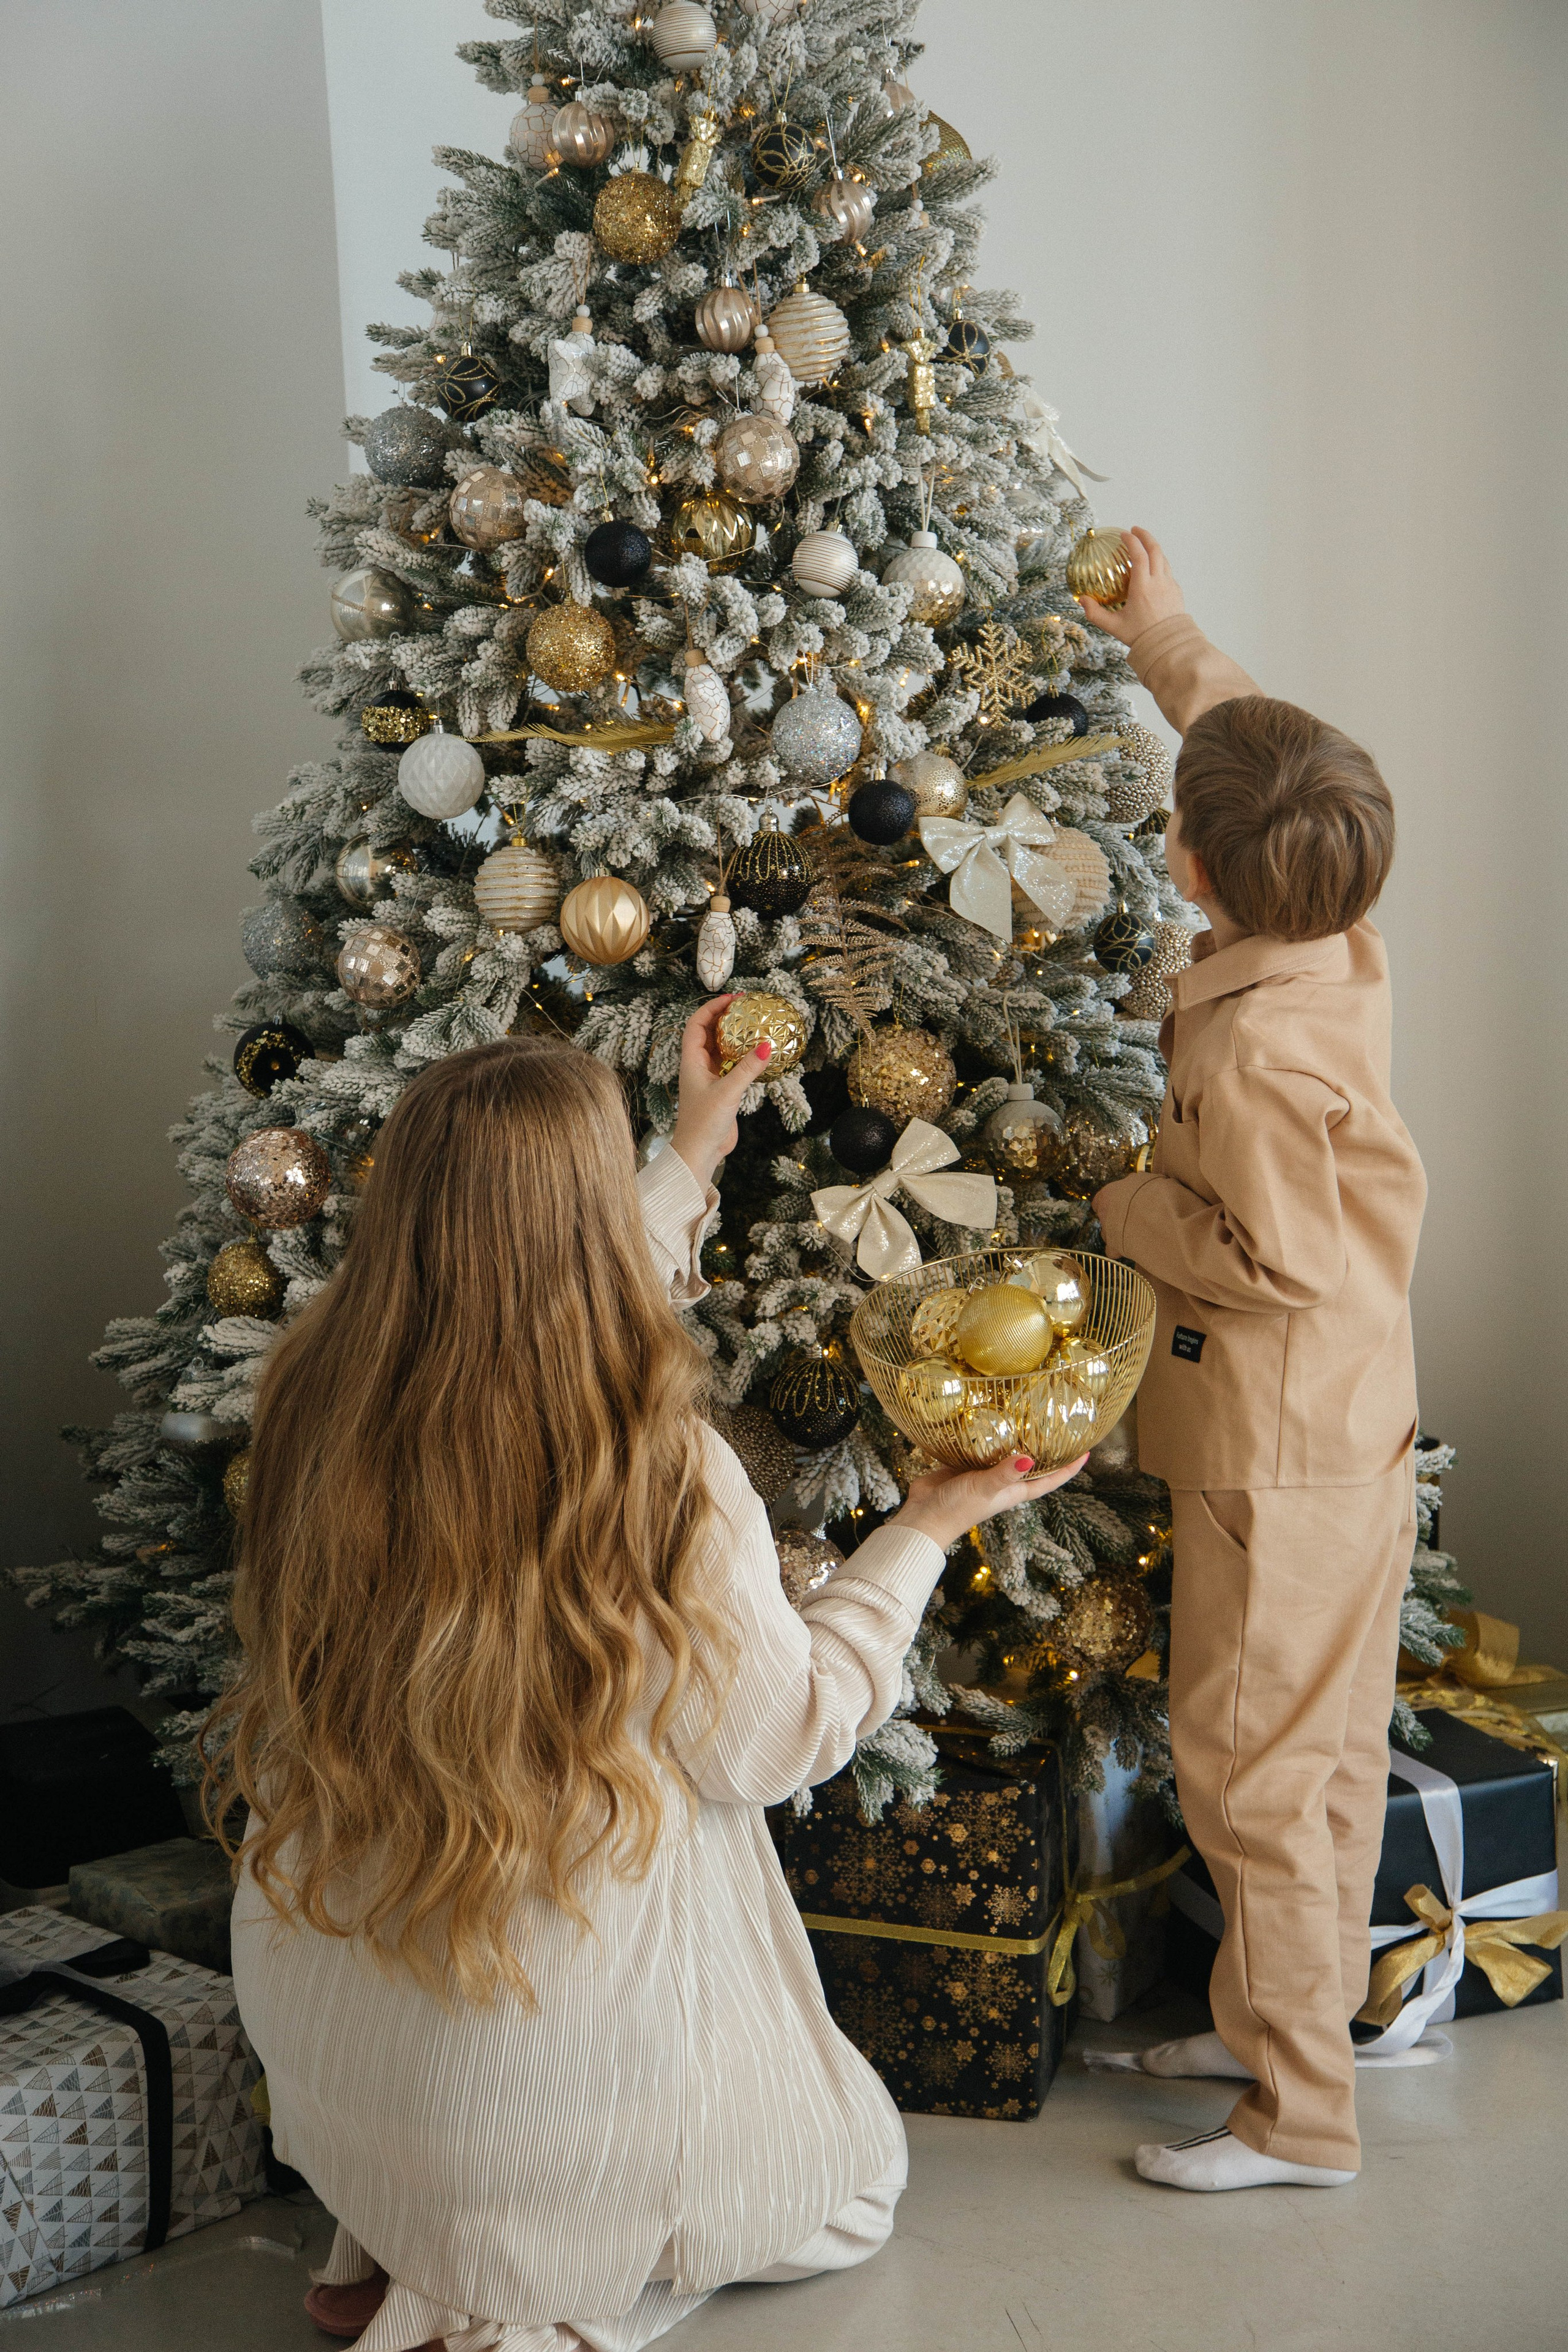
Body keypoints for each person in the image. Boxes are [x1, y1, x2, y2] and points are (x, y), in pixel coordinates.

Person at [216, 999, 1085, 2352]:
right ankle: (522, 2297)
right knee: (851, 2184)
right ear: (578, 1229)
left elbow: (541, 1270)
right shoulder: (657, 1474)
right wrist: (921, 1527)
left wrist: (698, 1137)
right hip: (533, 2073)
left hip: (330, 2062)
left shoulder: (315, 1392)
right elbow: (781, 1734)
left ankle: (393, 2231)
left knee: (447, 2010)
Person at [1076, 532, 1428, 2193]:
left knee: (1258, 1775)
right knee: (1323, 1757)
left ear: (1196, 873)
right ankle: (1277, 2021)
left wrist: (1131, 1205)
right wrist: (1165, 631)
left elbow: (1277, 1260)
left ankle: (1300, 2117)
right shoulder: (1332, 920)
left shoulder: (1275, 1050)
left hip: (1277, 1460)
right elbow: (1242, 734)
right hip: (1344, 1434)